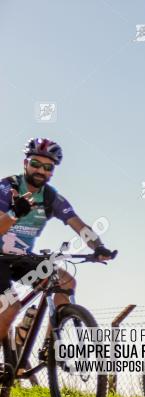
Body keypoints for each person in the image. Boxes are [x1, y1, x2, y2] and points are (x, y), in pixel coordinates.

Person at [0, 138, 115, 345]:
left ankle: (50, 346)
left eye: (47, 167)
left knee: (65, 282)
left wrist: (98, 246)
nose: (41, 171)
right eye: (35, 164)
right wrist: (14, 212)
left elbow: (79, 226)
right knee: (10, 308)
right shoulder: (7, 188)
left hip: (20, 258)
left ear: (52, 171)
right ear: (25, 163)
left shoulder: (51, 198)